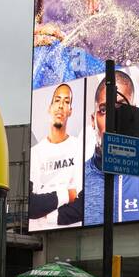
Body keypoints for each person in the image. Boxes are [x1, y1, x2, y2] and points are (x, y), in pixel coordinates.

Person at [78, 71, 139, 226]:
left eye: (120, 108)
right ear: (93, 120)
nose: (112, 119)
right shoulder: (80, 177)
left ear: (132, 113)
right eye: (104, 110)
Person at [28, 82, 82, 229]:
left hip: (74, 232)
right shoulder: (35, 153)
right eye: (57, 100)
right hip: (39, 236)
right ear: (50, 107)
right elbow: (31, 206)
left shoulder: (79, 148)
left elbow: (83, 204)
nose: (60, 106)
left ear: (70, 110)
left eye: (66, 102)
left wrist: (48, 216)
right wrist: (67, 194)